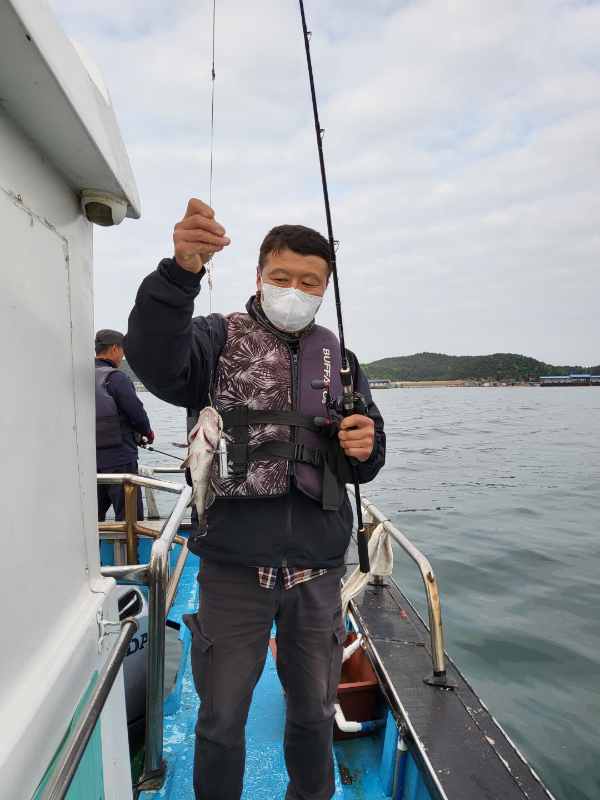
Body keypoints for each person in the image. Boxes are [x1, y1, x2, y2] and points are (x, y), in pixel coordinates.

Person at [125, 200, 385, 800]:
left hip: (318, 569)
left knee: (315, 715)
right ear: (259, 276)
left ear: (325, 289)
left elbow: (367, 460)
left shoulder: (341, 362)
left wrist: (367, 445)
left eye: (309, 282)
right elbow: (155, 358)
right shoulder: (214, 339)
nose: (294, 290)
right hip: (233, 566)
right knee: (220, 721)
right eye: (281, 277)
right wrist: (180, 274)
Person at [95, 328, 154, 522]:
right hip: (120, 458)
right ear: (114, 349)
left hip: (89, 460)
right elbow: (136, 412)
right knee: (130, 518)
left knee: (91, 518)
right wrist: (147, 433)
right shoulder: (116, 377)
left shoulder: (81, 377)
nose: (122, 356)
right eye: (122, 351)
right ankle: (131, 543)